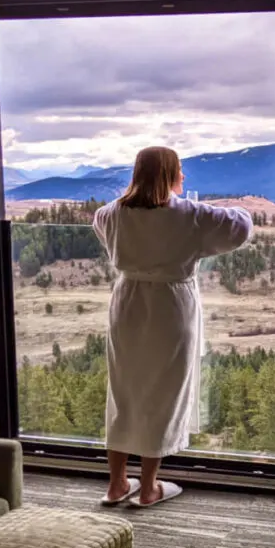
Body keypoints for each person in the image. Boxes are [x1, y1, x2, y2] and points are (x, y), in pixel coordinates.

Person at [93, 146, 252, 508]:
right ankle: (148, 488)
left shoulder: (112, 213)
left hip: (127, 303)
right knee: (165, 393)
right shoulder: (189, 215)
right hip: (170, 307)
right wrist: (238, 205)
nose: (185, 176)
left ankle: (117, 484)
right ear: (168, 175)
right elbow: (240, 228)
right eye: (180, 170)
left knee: (124, 392)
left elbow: (99, 225)